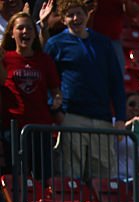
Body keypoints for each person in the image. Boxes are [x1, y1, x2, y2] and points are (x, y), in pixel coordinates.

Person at [45, 0, 126, 180]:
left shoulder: (103, 43)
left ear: (87, 14)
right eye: (70, 15)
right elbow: (47, 81)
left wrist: (120, 116)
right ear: (63, 20)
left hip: (102, 120)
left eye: (79, 13)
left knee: (103, 178)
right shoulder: (55, 44)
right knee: (71, 175)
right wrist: (57, 112)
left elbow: (116, 82)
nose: (76, 18)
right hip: (72, 117)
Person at [2, 12, 61, 180]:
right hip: (14, 128)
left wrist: (57, 99)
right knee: (18, 180)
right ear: (12, 33)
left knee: (43, 180)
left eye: (29, 28)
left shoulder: (44, 60)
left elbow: (55, 90)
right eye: (20, 28)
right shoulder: (5, 59)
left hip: (40, 128)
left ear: (35, 34)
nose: (25, 31)